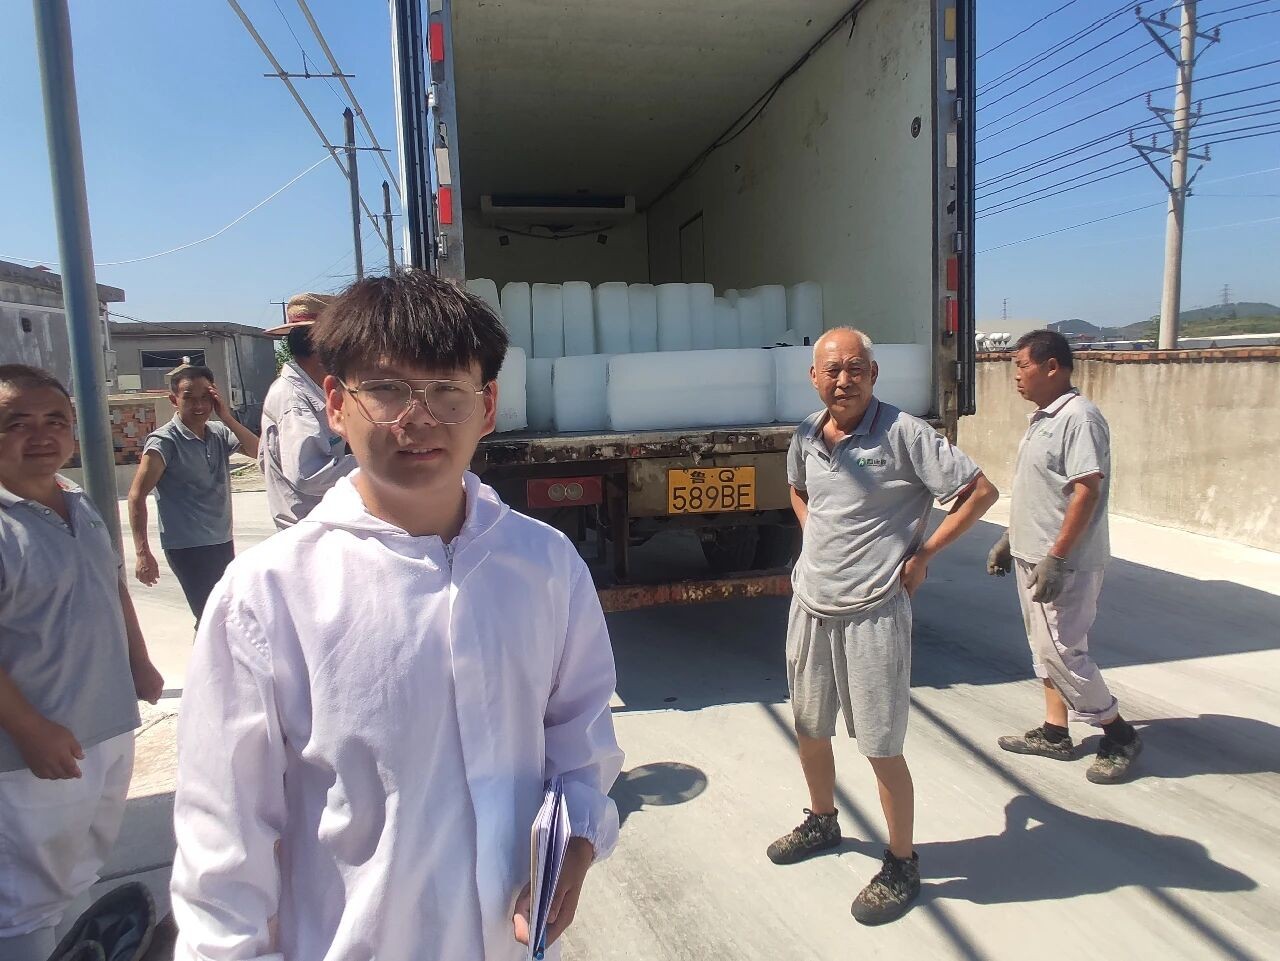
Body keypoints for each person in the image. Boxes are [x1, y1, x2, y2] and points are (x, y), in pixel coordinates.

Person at [170, 272, 624, 961]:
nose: (418, 417)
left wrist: (579, 837)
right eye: (385, 389)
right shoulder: (268, 595)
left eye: (447, 390)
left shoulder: (545, 565)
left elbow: (579, 735)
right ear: (335, 403)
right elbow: (222, 839)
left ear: (488, 405)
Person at [767, 328, 998, 926]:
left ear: (873, 374)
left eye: (855, 369)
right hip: (810, 604)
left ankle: (901, 862)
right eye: (831, 370)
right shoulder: (806, 434)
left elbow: (979, 492)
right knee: (809, 726)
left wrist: (924, 555)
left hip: (873, 610)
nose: (843, 380)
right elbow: (798, 488)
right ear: (813, 378)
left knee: (880, 744)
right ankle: (823, 820)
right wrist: (816, 537)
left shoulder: (905, 434)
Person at [0, 365, 164, 961]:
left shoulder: (77, 499)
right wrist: (29, 729)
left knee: (77, 872)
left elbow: (111, 582)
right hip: (34, 751)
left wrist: (139, 661)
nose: (40, 435)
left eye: (55, 421)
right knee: (23, 897)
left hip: (106, 725)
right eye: (16, 423)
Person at [986, 329, 1141, 783]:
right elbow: (1041, 490)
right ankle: (1056, 732)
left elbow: (1085, 491)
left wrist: (1057, 556)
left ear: (1052, 367)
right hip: (1034, 554)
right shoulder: (1043, 418)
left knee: (1064, 654)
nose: (1016, 375)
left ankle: (1118, 733)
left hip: (1064, 562)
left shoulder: (1080, 418)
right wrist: (1011, 538)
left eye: (1022, 365)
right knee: (1044, 648)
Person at [128, 364, 259, 624]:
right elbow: (136, 496)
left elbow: (258, 451)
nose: (198, 406)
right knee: (213, 618)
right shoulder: (164, 442)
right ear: (174, 400)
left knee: (225, 617)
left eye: (205, 398)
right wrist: (142, 552)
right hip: (187, 547)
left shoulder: (219, 433)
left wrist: (227, 417)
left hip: (221, 541)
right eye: (189, 398)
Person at [260, 293, 356, 529]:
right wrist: (374, 462)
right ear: (322, 345)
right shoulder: (293, 399)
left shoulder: (312, 390)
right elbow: (309, 475)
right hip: (310, 528)